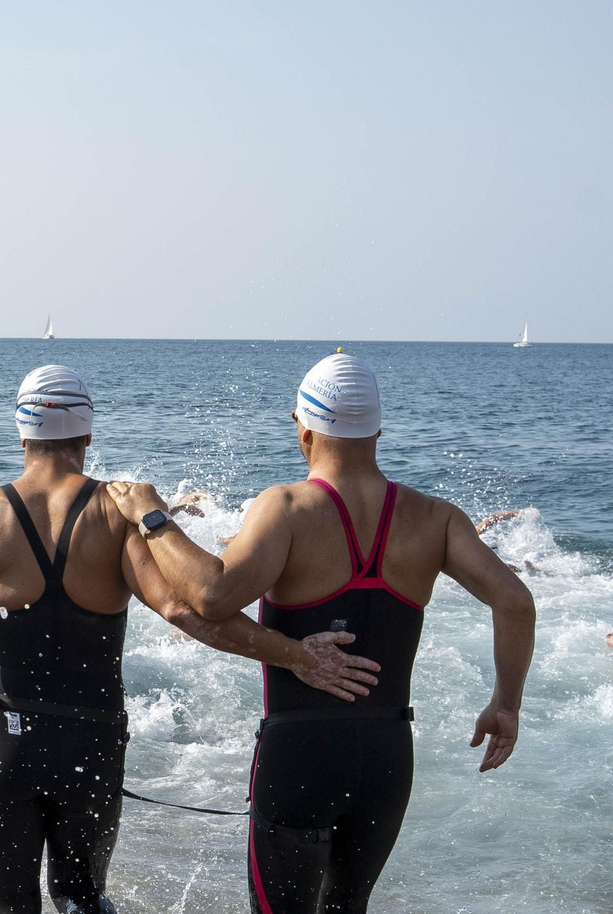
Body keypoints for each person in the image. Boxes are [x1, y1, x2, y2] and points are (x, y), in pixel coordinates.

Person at [0, 365, 382, 914]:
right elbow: (183, 611)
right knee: (82, 899)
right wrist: (296, 656)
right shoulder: (117, 515)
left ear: (21, 436)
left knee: (12, 905)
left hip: (5, 739)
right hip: (90, 740)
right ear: (87, 436)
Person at [103, 352, 537, 914]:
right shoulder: (437, 519)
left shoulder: (285, 508)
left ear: (303, 428)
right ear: (377, 429)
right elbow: (516, 603)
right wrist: (507, 704)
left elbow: (211, 595)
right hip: (386, 756)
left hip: (300, 753)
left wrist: (153, 518)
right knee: (347, 906)